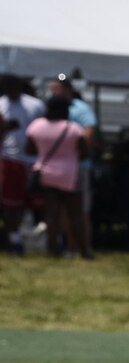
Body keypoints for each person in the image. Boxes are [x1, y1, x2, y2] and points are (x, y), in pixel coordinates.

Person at [25, 91, 91, 259]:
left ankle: (53, 250)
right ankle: (83, 251)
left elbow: (29, 149)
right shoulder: (73, 128)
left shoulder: (36, 126)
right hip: (69, 175)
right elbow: (85, 152)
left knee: (51, 214)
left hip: (46, 174)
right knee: (75, 215)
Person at [47, 74, 96, 259]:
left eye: (56, 89)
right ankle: (64, 248)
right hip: (56, 169)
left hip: (78, 167)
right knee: (59, 212)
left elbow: (89, 136)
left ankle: (79, 248)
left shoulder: (81, 109)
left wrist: (73, 153)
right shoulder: (50, 109)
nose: (53, 92)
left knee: (79, 211)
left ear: (68, 90)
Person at [0, 75, 46, 254]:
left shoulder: (35, 105)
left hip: (35, 161)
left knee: (38, 203)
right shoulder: (1, 104)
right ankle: (15, 239)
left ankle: (41, 239)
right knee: (11, 204)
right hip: (10, 159)